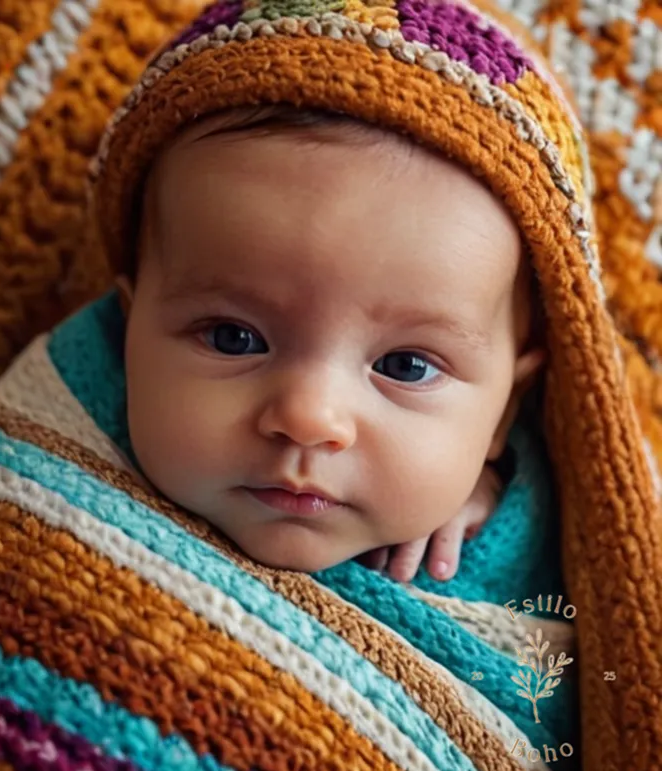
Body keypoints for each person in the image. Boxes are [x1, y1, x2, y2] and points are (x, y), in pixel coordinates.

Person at [114, 103, 546, 582]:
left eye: (406, 366)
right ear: (129, 330)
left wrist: (489, 494)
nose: (309, 420)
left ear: (504, 411)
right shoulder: (56, 458)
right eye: (233, 339)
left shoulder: (540, 550)